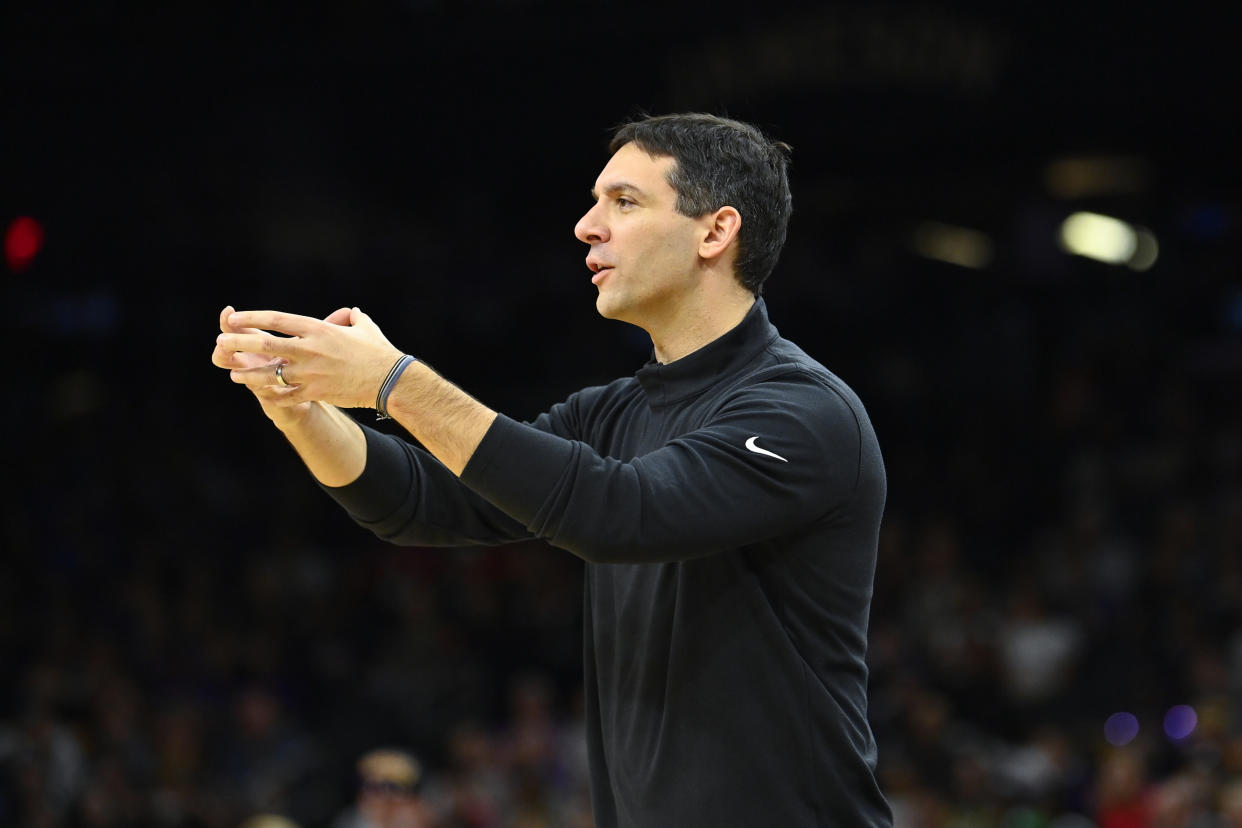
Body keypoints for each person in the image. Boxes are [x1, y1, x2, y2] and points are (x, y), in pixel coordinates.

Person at [211, 112, 891, 826]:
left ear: (715, 232)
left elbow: (618, 514)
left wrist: (395, 383)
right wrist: (301, 411)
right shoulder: (612, 413)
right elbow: (420, 503)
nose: (586, 226)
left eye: (624, 202)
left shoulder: (802, 413)